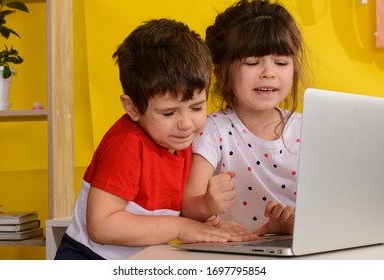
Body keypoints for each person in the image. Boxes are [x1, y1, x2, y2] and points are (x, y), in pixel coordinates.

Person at [54, 18, 255, 260]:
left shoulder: (176, 139)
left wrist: (208, 218)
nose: (185, 123)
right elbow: (102, 226)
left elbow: (171, 208)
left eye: (196, 107)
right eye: (168, 113)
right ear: (133, 107)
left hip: (138, 259)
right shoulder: (126, 145)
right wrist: (183, 228)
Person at [182, 0, 310, 236]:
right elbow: (187, 207)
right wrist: (208, 203)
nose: (268, 72)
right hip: (240, 250)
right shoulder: (214, 130)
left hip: (302, 248)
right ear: (221, 74)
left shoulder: (309, 128)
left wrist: (289, 227)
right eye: (252, 62)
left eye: (281, 62)